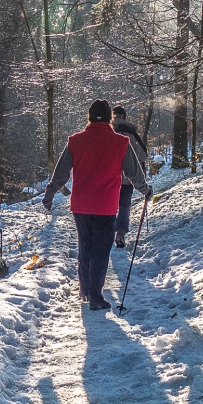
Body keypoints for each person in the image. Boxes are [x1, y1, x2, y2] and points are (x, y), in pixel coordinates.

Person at [42, 99, 152, 310]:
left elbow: (61, 172)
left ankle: (85, 290)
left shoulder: (75, 141)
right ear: (110, 118)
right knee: (101, 251)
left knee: (85, 246)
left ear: (89, 117)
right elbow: (134, 173)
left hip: (81, 205)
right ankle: (95, 296)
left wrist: (50, 193)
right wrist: (146, 191)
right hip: (106, 205)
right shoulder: (120, 143)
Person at [111, 105, 149, 248]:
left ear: (113, 116)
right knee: (124, 205)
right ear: (124, 117)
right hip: (127, 178)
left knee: (111, 205)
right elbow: (143, 155)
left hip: (110, 178)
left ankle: (108, 233)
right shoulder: (131, 133)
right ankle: (120, 234)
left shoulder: (107, 132)